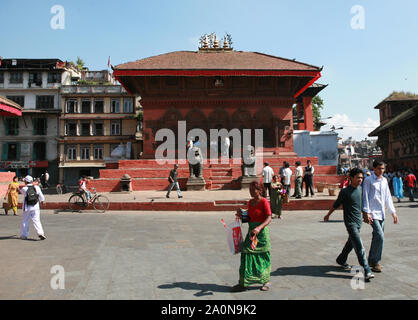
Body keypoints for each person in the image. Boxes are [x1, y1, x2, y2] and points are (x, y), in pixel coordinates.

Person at [324, 168, 374, 282]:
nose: (360, 180)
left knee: (351, 243)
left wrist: (366, 215)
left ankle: (341, 259)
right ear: (351, 178)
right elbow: (336, 204)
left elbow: (363, 205)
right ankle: (366, 270)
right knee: (359, 245)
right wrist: (328, 215)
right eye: (358, 177)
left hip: (358, 222)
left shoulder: (361, 190)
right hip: (350, 223)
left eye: (361, 178)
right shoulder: (345, 191)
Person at [232, 182, 272, 292]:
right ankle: (244, 282)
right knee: (246, 255)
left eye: (253, 189)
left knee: (262, 258)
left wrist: (259, 228)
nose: (250, 192)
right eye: (249, 189)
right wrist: (242, 215)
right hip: (251, 233)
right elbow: (248, 218)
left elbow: (269, 217)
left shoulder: (264, 201)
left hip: (261, 233)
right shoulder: (250, 202)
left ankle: (265, 281)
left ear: (259, 190)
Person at [362, 160, 398, 273]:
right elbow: (365, 197)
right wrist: (366, 212)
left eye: (383, 169)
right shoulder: (368, 180)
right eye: (379, 168)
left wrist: (393, 211)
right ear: (374, 169)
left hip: (381, 212)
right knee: (380, 235)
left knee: (377, 237)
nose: (381, 171)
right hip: (372, 213)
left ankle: (371, 260)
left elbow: (388, 197)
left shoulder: (384, 181)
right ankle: (376, 261)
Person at [19, 175, 46, 240]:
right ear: (31, 181)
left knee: (25, 221)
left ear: (25, 181)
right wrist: (42, 201)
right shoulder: (37, 187)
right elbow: (41, 196)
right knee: (37, 220)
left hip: (27, 207)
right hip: (36, 206)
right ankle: (40, 233)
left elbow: (20, 190)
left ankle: (24, 235)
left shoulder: (24, 189)